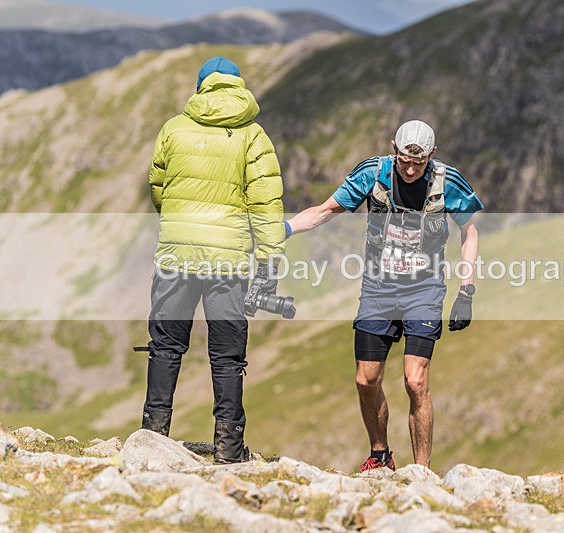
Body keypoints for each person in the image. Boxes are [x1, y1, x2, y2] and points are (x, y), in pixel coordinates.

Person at [285, 120, 482, 470]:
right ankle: (380, 455)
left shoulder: (447, 182)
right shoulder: (372, 174)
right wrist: (284, 229)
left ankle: (422, 470)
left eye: (418, 163)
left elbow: (470, 231)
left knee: (415, 380)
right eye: (404, 160)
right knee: (366, 379)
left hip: (424, 290)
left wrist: (466, 290)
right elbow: (325, 211)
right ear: (394, 148)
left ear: (431, 156)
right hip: (378, 288)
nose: (409, 169)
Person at [141, 56, 285, 464]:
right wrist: (270, 260)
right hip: (229, 261)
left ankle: (152, 436)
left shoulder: (173, 128)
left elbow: (158, 187)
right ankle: (228, 447)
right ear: (238, 86)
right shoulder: (253, 135)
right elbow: (266, 203)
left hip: (176, 254)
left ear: (202, 85)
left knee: (166, 345)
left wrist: (179, 226)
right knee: (227, 354)